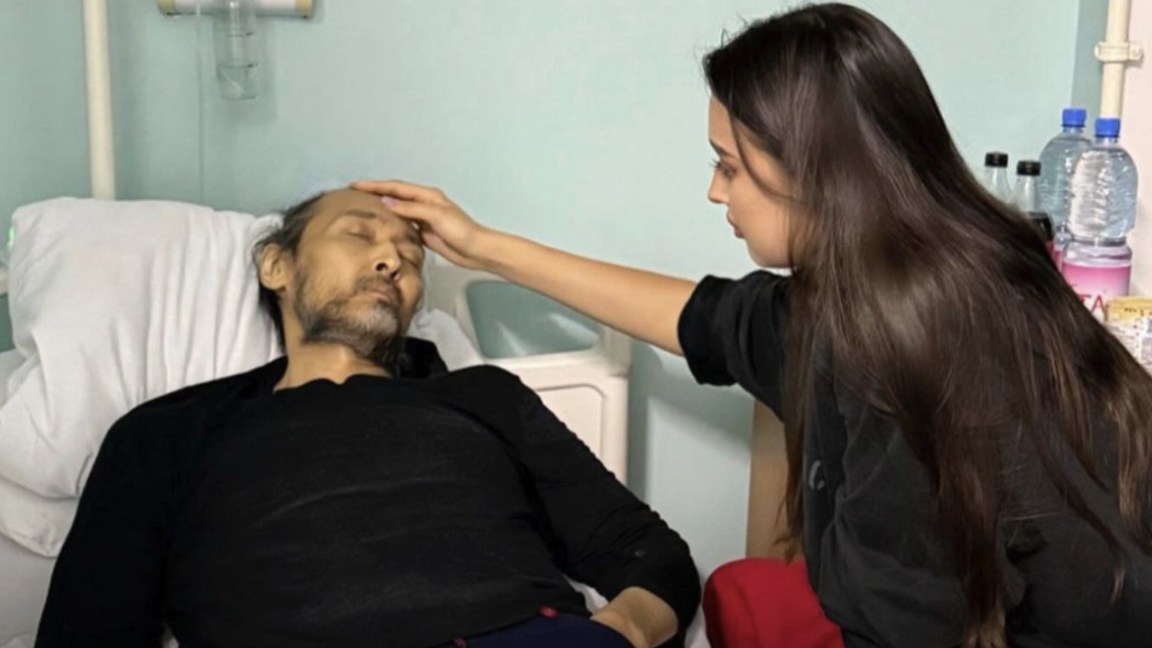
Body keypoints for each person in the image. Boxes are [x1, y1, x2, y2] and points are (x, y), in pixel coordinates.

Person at [352, 4, 1152, 648]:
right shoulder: (898, 283)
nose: (715, 191)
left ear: (818, 171)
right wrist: (484, 247)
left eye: (729, 166)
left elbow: (913, 623)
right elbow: (704, 320)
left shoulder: (906, 353)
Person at [34, 188, 701, 648]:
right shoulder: (168, 433)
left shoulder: (483, 398)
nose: (391, 259)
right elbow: (88, 630)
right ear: (276, 266)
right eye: (358, 235)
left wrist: (616, 632)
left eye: (411, 256)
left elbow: (648, 554)